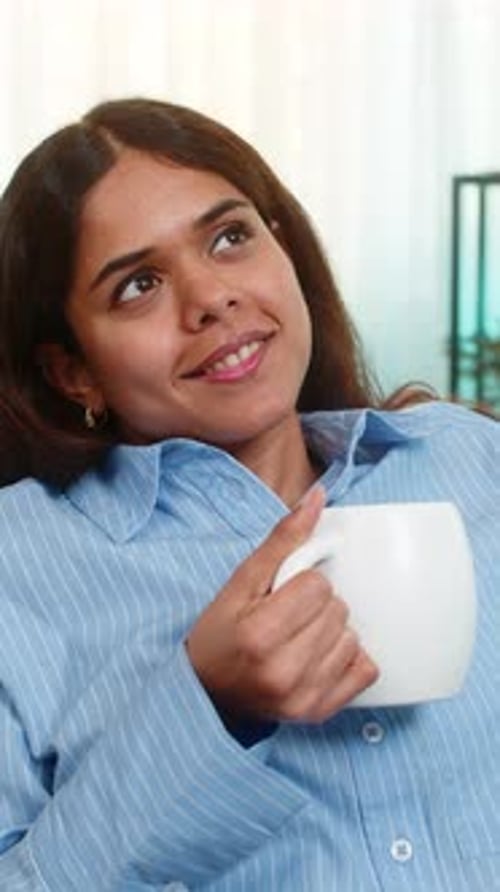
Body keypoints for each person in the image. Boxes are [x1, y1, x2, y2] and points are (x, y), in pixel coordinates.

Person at [0, 98, 497, 892]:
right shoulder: (17, 567)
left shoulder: (470, 460)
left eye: (229, 237)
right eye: (138, 285)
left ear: (283, 246)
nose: (211, 298)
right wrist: (206, 709)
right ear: (74, 371)